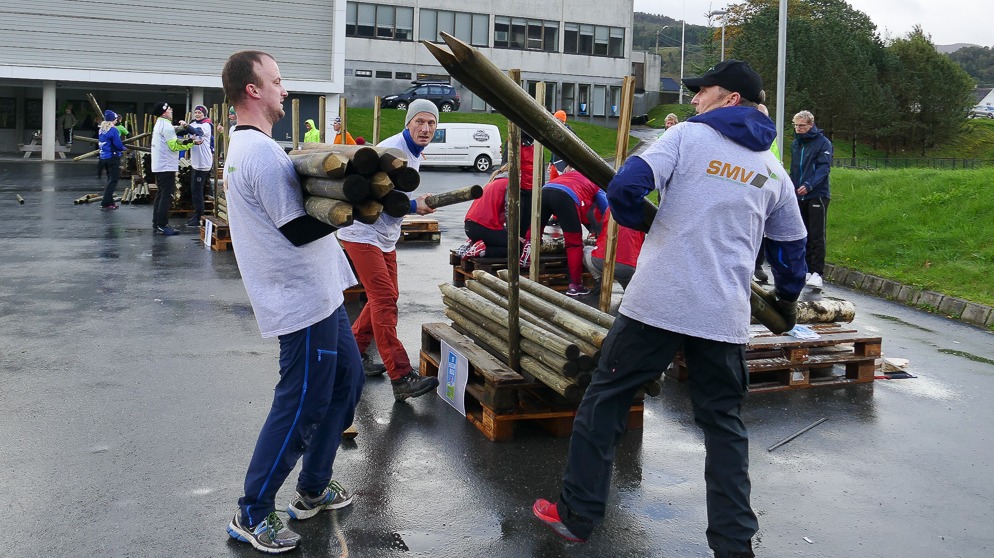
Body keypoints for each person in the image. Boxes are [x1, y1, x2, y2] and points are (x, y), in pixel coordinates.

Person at [532, 59, 807, 558]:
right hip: (722, 314)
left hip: (657, 303)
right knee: (723, 424)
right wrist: (785, 299)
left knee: (605, 400)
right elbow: (791, 249)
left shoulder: (686, 139)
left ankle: (577, 516)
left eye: (704, 91)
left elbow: (623, 189)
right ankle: (734, 544)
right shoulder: (772, 169)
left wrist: (645, 223)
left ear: (731, 100)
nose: (694, 99)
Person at [221, 49, 364, 555]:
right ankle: (252, 510)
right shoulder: (257, 153)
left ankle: (312, 487)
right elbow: (299, 228)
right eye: (277, 80)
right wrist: (353, 210)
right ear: (252, 90)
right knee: (301, 403)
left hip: (320, 295)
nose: (285, 88)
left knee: (349, 379)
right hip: (298, 302)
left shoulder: (257, 146)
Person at [336, 99, 439, 399]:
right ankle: (401, 376)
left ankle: (352, 354)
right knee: (384, 299)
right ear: (408, 123)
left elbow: (393, 192)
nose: (425, 128)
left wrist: (417, 201)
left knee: (387, 295)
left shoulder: (414, 152)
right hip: (361, 232)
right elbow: (369, 194)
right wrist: (411, 205)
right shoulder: (393, 151)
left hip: (383, 236)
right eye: (419, 121)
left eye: (431, 123)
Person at [530, 169, 608, 297]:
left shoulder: (573, 174)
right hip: (566, 196)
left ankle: (524, 268)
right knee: (574, 244)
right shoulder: (597, 183)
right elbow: (606, 210)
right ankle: (575, 285)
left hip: (544, 191)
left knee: (534, 234)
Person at [789, 109, 833, 288]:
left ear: (811, 125)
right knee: (803, 232)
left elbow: (824, 168)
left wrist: (809, 185)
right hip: (799, 194)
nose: (798, 129)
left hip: (817, 194)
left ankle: (817, 273)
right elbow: (794, 169)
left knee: (816, 234)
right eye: (796, 125)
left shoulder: (823, 143)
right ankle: (806, 270)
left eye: (802, 125)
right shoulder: (795, 144)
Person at [150, 102, 195, 236]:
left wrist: (182, 129)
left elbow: (174, 133)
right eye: (169, 109)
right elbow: (174, 146)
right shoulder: (166, 126)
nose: (171, 111)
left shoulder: (160, 124)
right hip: (166, 165)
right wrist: (191, 142)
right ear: (164, 112)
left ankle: (156, 222)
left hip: (160, 165)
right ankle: (163, 225)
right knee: (166, 195)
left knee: (161, 194)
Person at [582, 207, 645, 293]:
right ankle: (629, 294)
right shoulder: (640, 212)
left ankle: (598, 279)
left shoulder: (611, 209)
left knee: (585, 250)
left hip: (603, 262)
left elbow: (601, 234)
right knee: (629, 293)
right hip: (629, 268)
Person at [463, 168, 510, 258]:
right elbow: (509, 210)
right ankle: (484, 250)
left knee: (503, 241)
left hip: (470, 226)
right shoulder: (509, 183)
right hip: (483, 227)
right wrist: (513, 234)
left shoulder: (494, 182)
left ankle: (473, 244)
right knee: (517, 247)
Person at [186, 105, 214, 227]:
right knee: (196, 189)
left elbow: (198, 132)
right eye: (195, 112)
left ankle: (199, 217)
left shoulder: (206, 125)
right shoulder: (193, 123)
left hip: (203, 163)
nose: (197, 114)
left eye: (199, 112)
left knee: (197, 190)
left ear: (204, 114)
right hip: (195, 162)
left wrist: (187, 127)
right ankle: (197, 214)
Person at [97, 110, 126, 210]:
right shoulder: (113, 130)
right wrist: (123, 148)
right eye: (115, 119)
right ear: (113, 119)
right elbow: (118, 145)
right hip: (112, 157)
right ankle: (105, 202)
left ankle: (110, 202)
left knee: (110, 179)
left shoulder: (101, 129)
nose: (116, 121)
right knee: (113, 180)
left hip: (103, 157)